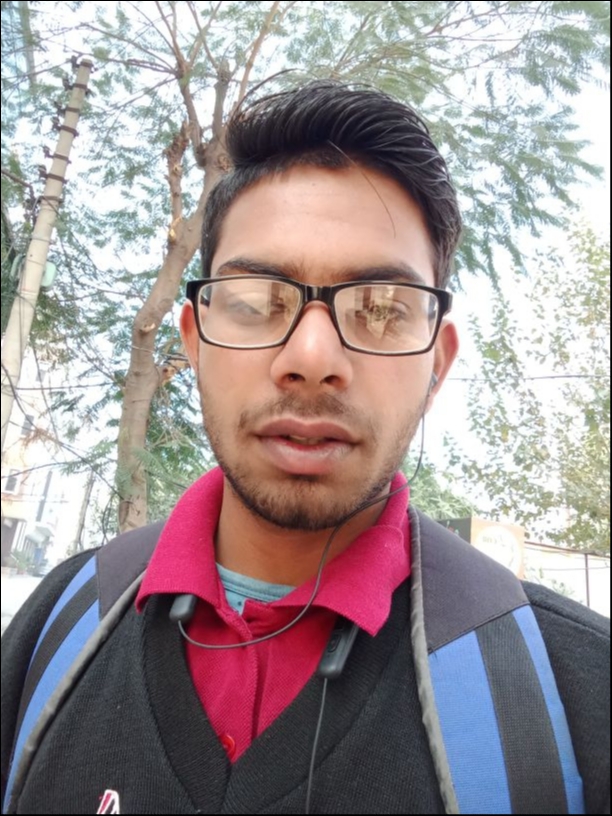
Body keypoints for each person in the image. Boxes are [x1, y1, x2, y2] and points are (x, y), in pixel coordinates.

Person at [1, 81, 609, 816]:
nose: (312, 358)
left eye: (380, 308)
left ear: (437, 364)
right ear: (195, 341)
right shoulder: (58, 629)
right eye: (259, 300)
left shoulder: (575, 697)